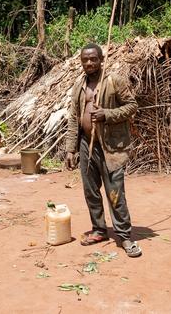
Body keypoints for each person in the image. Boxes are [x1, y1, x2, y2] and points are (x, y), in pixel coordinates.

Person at [64, 43, 141, 257]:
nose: (89, 63)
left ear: (101, 59)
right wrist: (71, 149)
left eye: (93, 59)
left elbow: (131, 106)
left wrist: (107, 114)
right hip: (86, 145)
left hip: (110, 147)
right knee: (90, 191)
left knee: (115, 193)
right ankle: (99, 229)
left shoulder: (113, 80)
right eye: (85, 60)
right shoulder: (79, 84)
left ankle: (125, 236)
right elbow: (73, 117)